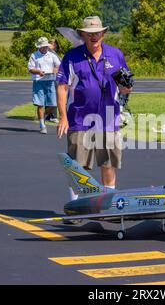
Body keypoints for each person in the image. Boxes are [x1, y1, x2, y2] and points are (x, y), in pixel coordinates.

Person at [56, 16, 132, 198]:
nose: (94, 36)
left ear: (103, 33)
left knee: (108, 165)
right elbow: (62, 86)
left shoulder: (115, 54)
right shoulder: (72, 57)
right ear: (82, 34)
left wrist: (126, 87)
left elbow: (126, 88)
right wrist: (63, 116)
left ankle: (109, 204)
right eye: (89, 33)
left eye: (97, 32)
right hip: (79, 119)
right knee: (78, 166)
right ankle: (76, 205)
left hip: (108, 118)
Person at [28, 37, 61, 134]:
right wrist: (38, 71)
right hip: (39, 81)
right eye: (43, 47)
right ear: (39, 47)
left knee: (53, 104)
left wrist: (56, 69)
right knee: (40, 104)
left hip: (50, 80)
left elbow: (58, 65)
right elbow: (30, 68)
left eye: (46, 46)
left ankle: (42, 115)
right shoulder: (34, 55)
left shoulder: (51, 55)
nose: (45, 48)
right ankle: (42, 125)